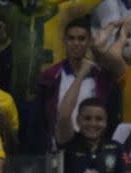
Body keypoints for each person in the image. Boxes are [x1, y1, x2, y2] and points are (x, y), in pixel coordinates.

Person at [56, 70, 131, 173]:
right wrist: (80, 76)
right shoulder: (70, 143)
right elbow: (64, 115)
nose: (93, 124)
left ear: (106, 123)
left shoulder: (115, 148)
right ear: (78, 121)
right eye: (87, 118)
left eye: (99, 119)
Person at [36, 17, 114, 154]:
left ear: (89, 41)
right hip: (59, 150)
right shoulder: (51, 75)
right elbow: (40, 119)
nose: (76, 43)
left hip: (93, 151)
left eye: (81, 39)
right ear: (64, 41)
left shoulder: (101, 76)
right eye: (71, 39)